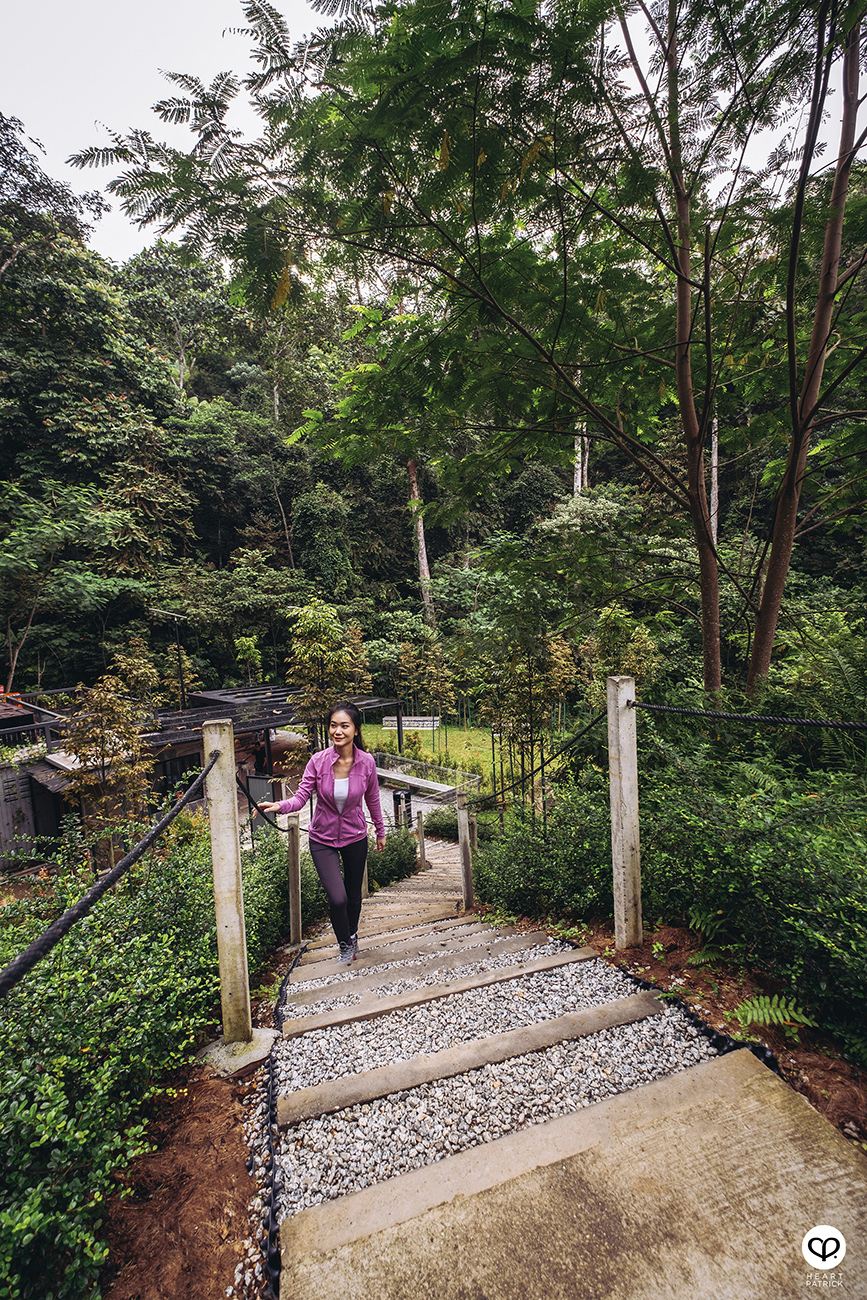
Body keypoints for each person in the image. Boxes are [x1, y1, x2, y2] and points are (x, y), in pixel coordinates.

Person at [260, 701, 386, 964]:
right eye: (333, 725)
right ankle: (345, 945)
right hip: (322, 839)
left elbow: (373, 798)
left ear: (356, 730)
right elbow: (301, 797)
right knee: (338, 898)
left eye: (344, 726)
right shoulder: (318, 761)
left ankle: (352, 933)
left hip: (355, 837)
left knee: (353, 896)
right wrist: (280, 806)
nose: (338, 731)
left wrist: (380, 831)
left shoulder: (367, 763)